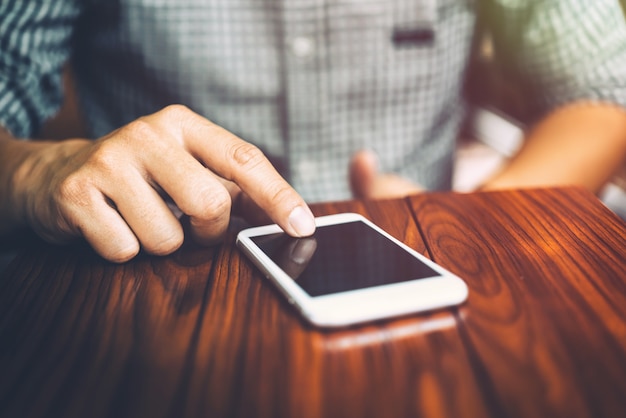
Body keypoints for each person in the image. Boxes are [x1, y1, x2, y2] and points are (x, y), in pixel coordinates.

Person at [1, 0, 626, 263]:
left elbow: (605, 83)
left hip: (429, 286)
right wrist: (36, 170)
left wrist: (470, 221)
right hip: (155, 287)